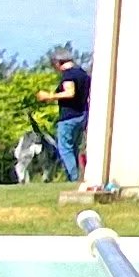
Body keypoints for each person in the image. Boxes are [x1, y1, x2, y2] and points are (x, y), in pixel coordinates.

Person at [49, 46, 93, 180]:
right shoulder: (83, 74)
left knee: (65, 148)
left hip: (69, 116)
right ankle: (78, 175)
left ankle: (74, 178)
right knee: (74, 148)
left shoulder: (69, 75)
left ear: (58, 63)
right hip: (83, 114)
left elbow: (70, 92)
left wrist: (49, 96)